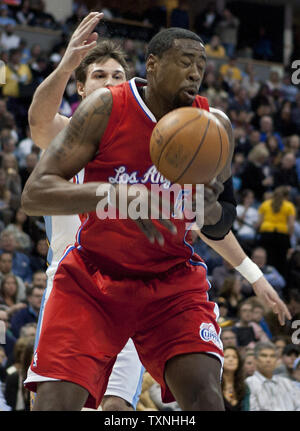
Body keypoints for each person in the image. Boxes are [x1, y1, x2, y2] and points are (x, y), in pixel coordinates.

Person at [22, 25, 290, 411]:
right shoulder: (104, 109)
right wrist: (116, 193)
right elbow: (34, 193)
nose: (196, 73)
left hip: (171, 284)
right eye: (185, 63)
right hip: (92, 280)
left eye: (201, 65)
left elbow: (216, 223)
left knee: (204, 399)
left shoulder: (213, 127)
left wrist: (208, 208)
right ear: (153, 64)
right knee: (55, 406)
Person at [25, 12, 144, 412]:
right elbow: (38, 122)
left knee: (117, 410)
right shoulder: (68, 134)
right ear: (80, 86)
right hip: (72, 287)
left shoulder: (150, 145)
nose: (110, 83)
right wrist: (66, 63)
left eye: (117, 77)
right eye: (98, 76)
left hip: (129, 290)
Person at [246, 342, 300, 410]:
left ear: (277, 360)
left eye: (272, 356)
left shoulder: (287, 383)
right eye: (264, 356)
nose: (268, 360)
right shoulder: (249, 384)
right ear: (255, 360)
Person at [257, 186, 296, 278]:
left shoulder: (265, 204)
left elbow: (259, 223)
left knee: (266, 260)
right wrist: (289, 237)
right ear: (287, 196)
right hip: (282, 236)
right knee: (281, 261)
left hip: (266, 235)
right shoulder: (289, 206)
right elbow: (291, 225)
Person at [221, 346, 249, 411]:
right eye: (226, 357)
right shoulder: (215, 386)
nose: (231, 359)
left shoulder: (244, 387)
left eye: (234, 357)